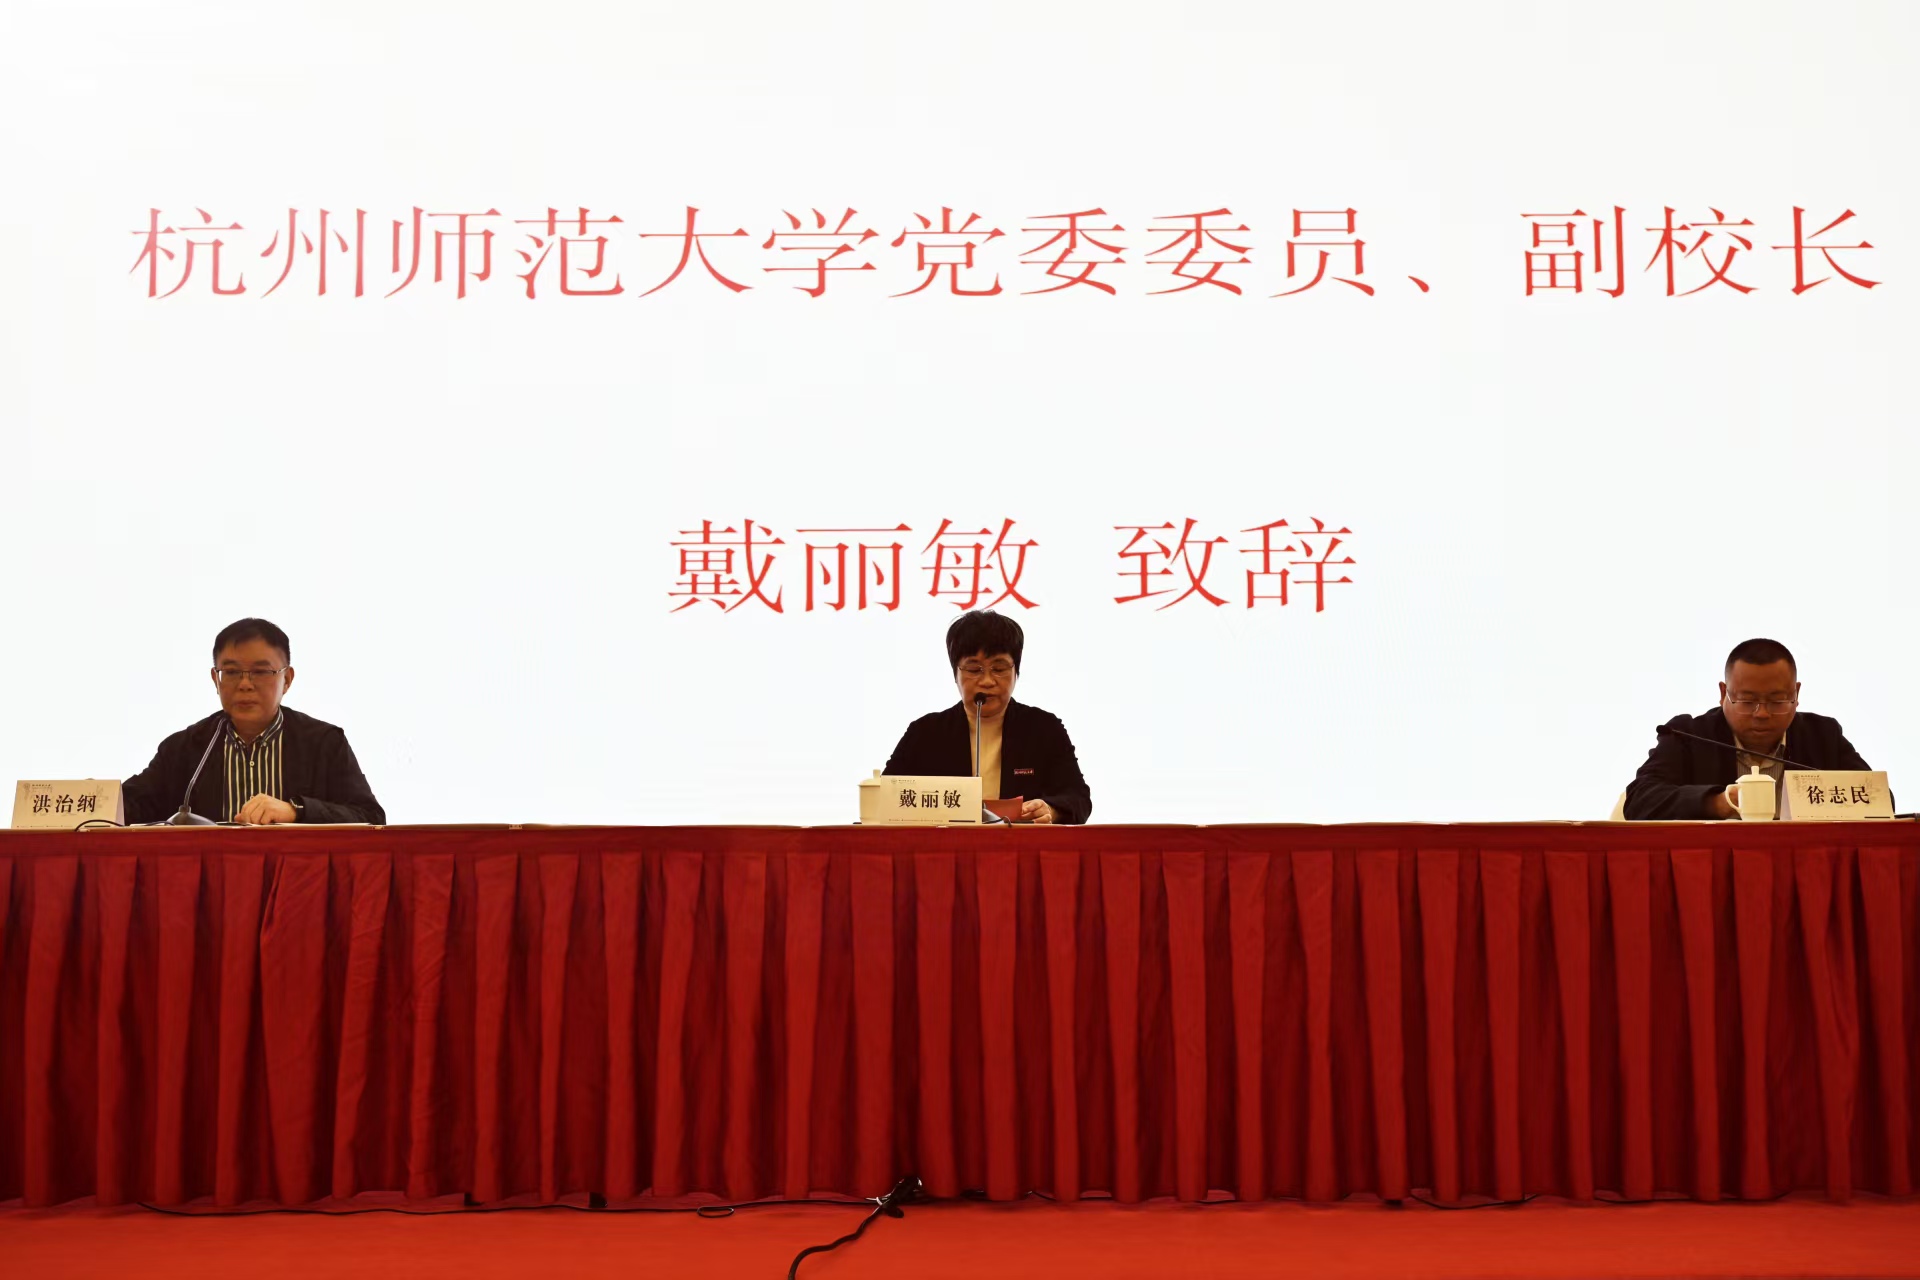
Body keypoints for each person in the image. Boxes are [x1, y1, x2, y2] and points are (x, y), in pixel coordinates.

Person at [122, 618, 386, 825]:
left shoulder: (323, 744)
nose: (245, 684)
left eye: (260, 672)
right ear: (216, 679)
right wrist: (103, 798)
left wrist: (296, 811)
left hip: (295, 875)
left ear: (287, 680)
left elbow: (370, 817)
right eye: (231, 672)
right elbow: (131, 807)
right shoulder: (184, 749)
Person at [1623, 638, 1871, 820]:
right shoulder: (1687, 735)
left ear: (1796, 694)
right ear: (1724, 693)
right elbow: (1639, 800)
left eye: (1777, 701)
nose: (1761, 713)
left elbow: (1878, 800)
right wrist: (1718, 803)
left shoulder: (1823, 736)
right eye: (1747, 701)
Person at [883, 610, 1092, 824]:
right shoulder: (925, 733)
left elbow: (1078, 798)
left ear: (1016, 672)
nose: (987, 681)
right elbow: (884, 799)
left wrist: (1051, 810)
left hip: (1020, 843)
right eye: (974, 670)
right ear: (956, 674)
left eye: (999, 668)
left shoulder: (1044, 728)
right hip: (945, 844)